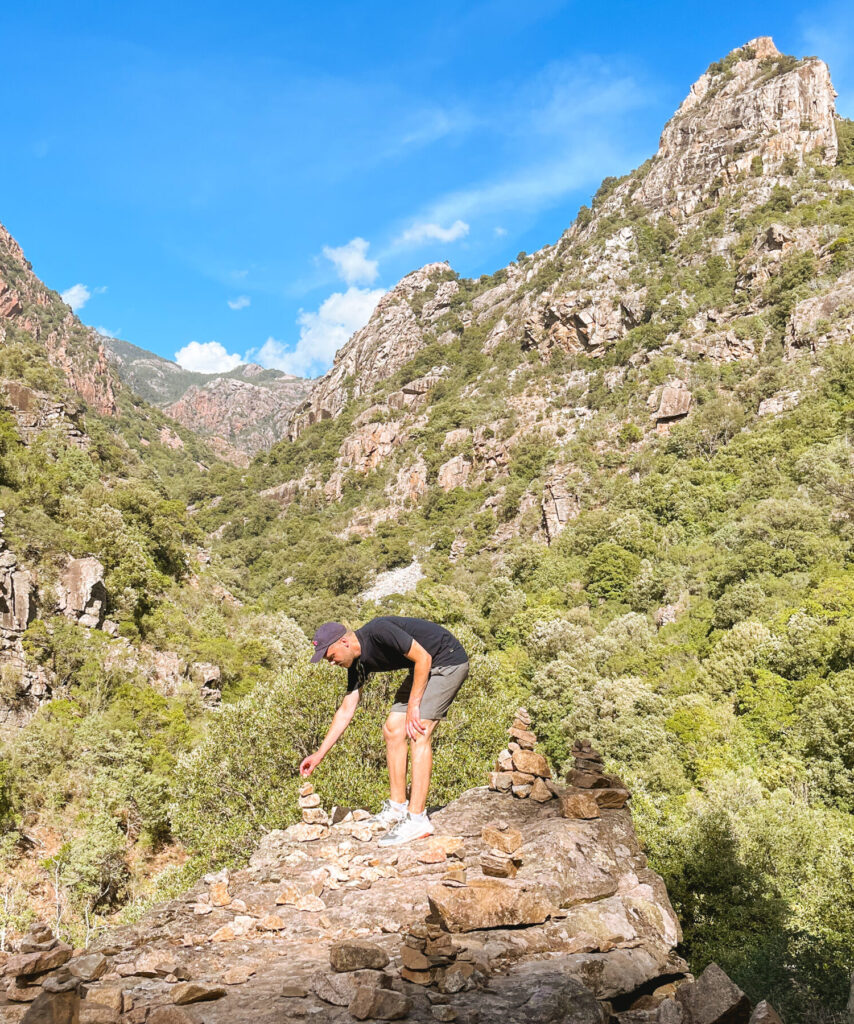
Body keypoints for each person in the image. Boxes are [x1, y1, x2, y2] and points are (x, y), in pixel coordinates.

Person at [298, 616, 469, 846]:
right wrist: (319, 754)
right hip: (423, 667)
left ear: (344, 643)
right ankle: (398, 807)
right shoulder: (357, 663)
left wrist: (414, 706)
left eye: (331, 656)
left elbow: (423, 657)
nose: (331, 663)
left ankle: (417, 818)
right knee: (392, 729)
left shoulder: (379, 631)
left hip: (446, 661)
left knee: (418, 730)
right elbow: (346, 709)